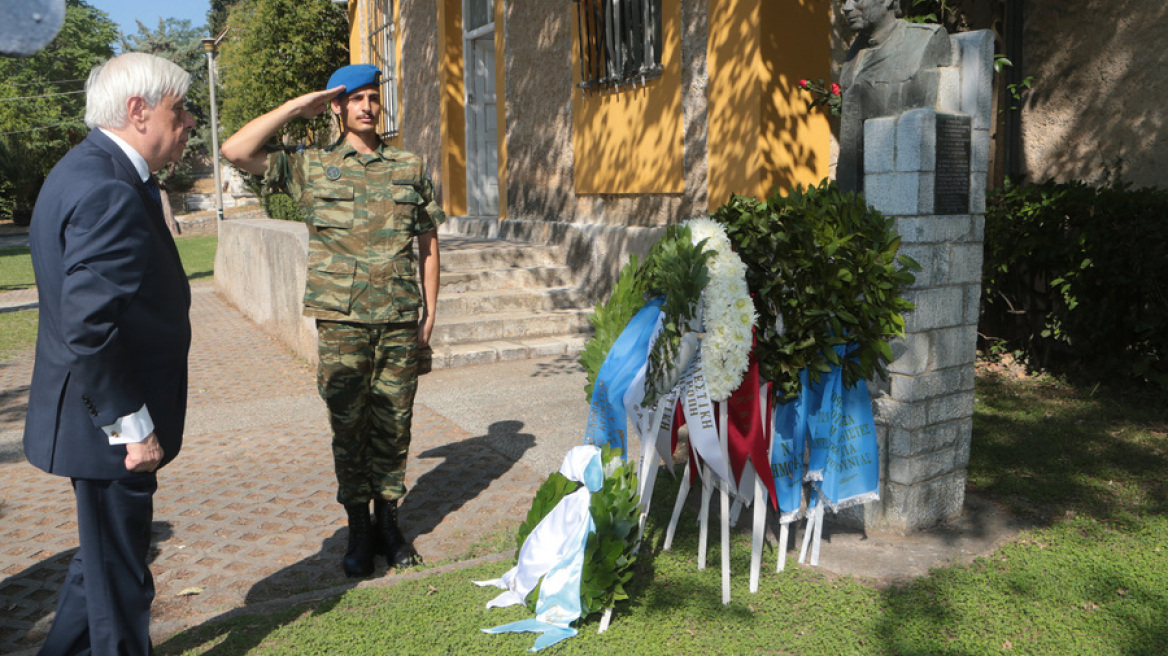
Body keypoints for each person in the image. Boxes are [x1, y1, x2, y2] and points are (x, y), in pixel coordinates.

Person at [221, 64, 443, 578]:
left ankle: (390, 523)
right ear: (338, 107)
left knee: (395, 424)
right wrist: (300, 106)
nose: (368, 106)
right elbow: (235, 150)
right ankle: (359, 528)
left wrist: (430, 313)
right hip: (341, 323)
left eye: (373, 97)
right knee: (349, 427)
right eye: (356, 98)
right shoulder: (312, 166)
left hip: (396, 318)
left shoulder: (407, 166)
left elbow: (428, 244)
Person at [23, 52, 195, 655]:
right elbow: (88, 327)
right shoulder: (105, 186)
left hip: (94, 416)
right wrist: (130, 425)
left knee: (101, 565)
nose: (189, 123)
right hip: (107, 426)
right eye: (179, 110)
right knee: (121, 581)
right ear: (138, 110)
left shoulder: (86, 168)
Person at [836, 0, 952, 192]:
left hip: (899, 186)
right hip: (854, 200)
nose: (847, 7)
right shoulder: (855, 50)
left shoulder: (924, 39)